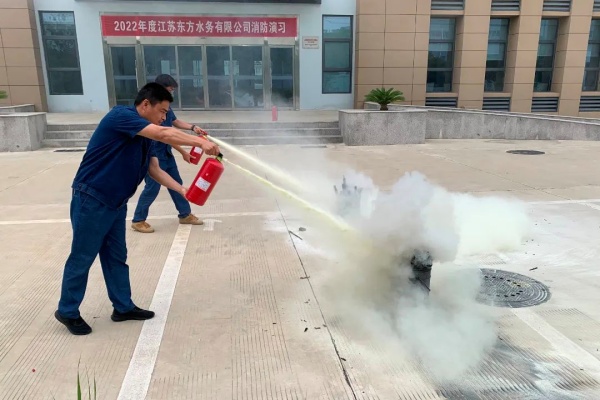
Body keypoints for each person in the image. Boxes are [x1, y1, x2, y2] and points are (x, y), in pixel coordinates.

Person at [55, 82, 220, 335]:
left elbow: (154, 169)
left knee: (116, 257)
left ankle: (123, 307)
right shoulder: (121, 116)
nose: (164, 117)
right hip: (92, 199)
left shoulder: (145, 137)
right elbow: (164, 134)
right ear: (145, 105)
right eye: (162, 111)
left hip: (116, 202)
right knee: (82, 257)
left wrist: (182, 190)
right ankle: (67, 311)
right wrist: (199, 142)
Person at [132, 74, 207, 233]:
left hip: (166, 153)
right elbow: (165, 135)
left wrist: (193, 127)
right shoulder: (151, 109)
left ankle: (185, 214)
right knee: (152, 187)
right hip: (154, 153)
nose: (171, 93)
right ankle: (138, 219)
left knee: (177, 184)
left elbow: (175, 122)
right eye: (170, 89)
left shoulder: (166, 107)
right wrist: (183, 151)